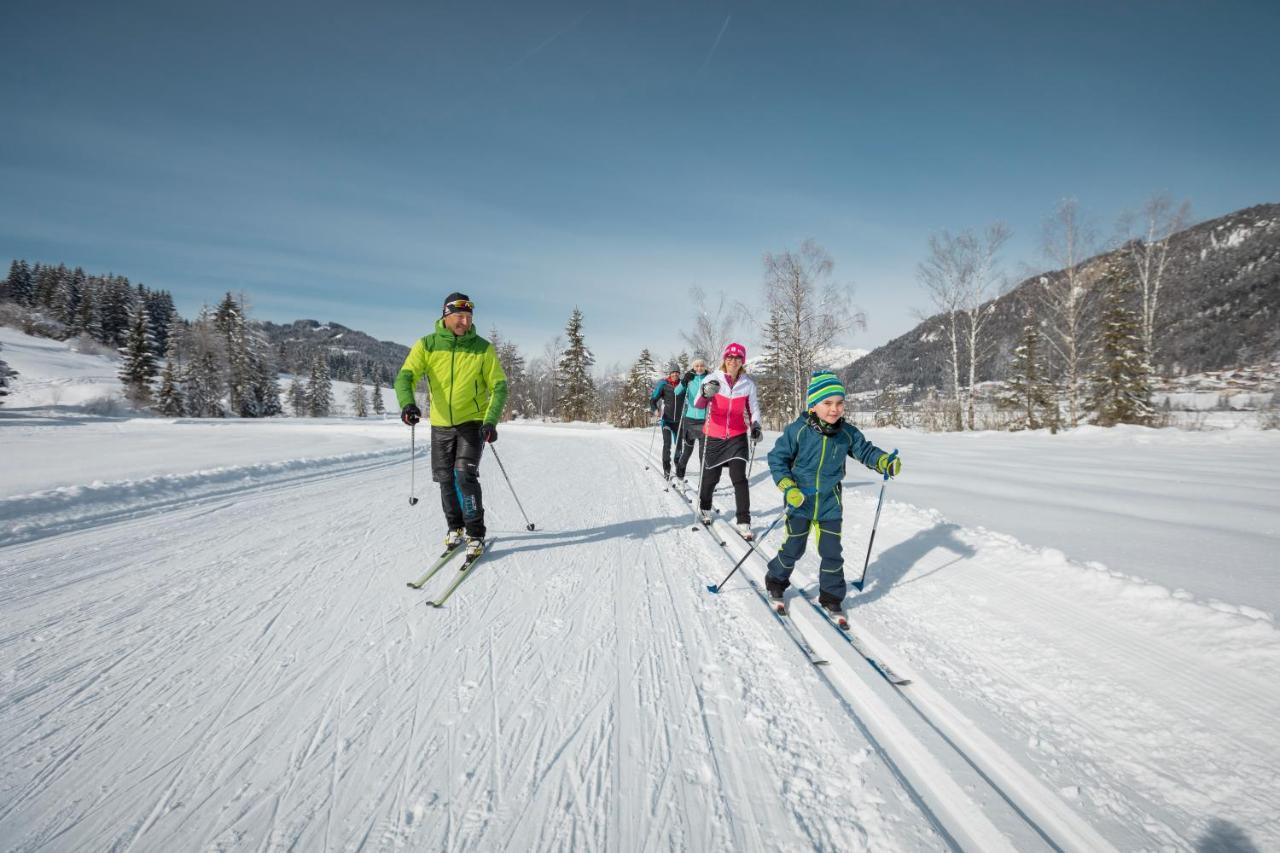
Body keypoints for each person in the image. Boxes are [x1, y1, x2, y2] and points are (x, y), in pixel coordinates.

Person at [764, 370, 902, 618]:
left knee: (832, 552)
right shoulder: (798, 430)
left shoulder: (846, 433)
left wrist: (883, 461)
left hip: (830, 502)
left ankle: (831, 596)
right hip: (800, 500)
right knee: (793, 548)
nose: (834, 409)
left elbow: (865, 451)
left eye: (839, 403)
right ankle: (775, 580)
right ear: (813, 405)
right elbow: (777, 459)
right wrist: (788, 486)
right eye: (827, 403)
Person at [394, 293, 508, 558]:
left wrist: (490, 420)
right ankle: (455, 527)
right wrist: (408, 404)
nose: (465, 322)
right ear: (446, 316)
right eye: (459, 316)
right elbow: (405, 377)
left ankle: (476, 533)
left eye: (469, 317)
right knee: (445, 479)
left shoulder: (482, 348)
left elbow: (499, 386)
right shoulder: (428, 345)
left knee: (463, 476)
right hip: (441, 424)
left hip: (472, 423)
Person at [693, 342, 761, 540]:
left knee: (739, 478)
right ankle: (705, 507)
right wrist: (706, 393)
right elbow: (698, 404)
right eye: (729, 358)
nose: (733, 361)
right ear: (725, 359)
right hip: (713, 434)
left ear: (742, 361)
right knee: (710, 478)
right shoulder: (712, 378)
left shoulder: (747, 384)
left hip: (738, 435)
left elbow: (754, 408)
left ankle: (744, 520)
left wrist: (756, 425)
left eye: (737, 358)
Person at [673, 357, 709, 482]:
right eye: (696, 365)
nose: (699, 368)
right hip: (690, 419)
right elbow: (676, 392)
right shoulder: (689, 378)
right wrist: (683, 381)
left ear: (705, 366)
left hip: (704, 420)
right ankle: (680, 473)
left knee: (703, 453)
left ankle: (704, 481)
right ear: (693, 366)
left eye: (701, 365)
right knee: (688, 450)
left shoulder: (709, 378)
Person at [649, 362, 684, 478]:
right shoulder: (663, 384)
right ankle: (666, 468)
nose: (675, 374)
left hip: (679, 422)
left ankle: (677, 463)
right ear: (670, 373)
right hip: (666, 420)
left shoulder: (683, 385)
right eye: (673, 372)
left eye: (677, 372)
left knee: (679, 446)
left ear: (679, 374)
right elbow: (653, 400)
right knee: (667, 444)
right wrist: (655, 410)